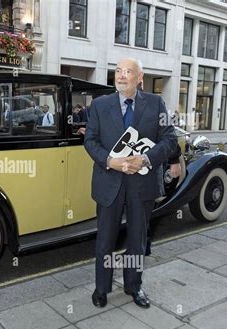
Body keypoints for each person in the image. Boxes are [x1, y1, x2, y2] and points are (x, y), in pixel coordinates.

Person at [84, 57, 177, 309]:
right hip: (109, 182)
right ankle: (101, 289)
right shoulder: (100, 105)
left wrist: (146, 159)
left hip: (142, 186)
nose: (121, 76)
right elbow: (90, 141)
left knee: (137, 240)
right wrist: (110, 161)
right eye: (117, 71)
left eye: (128, 72)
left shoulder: (156, 104)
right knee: (105, 240)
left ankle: (133, 286)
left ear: (139, 78)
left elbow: (170, 141)